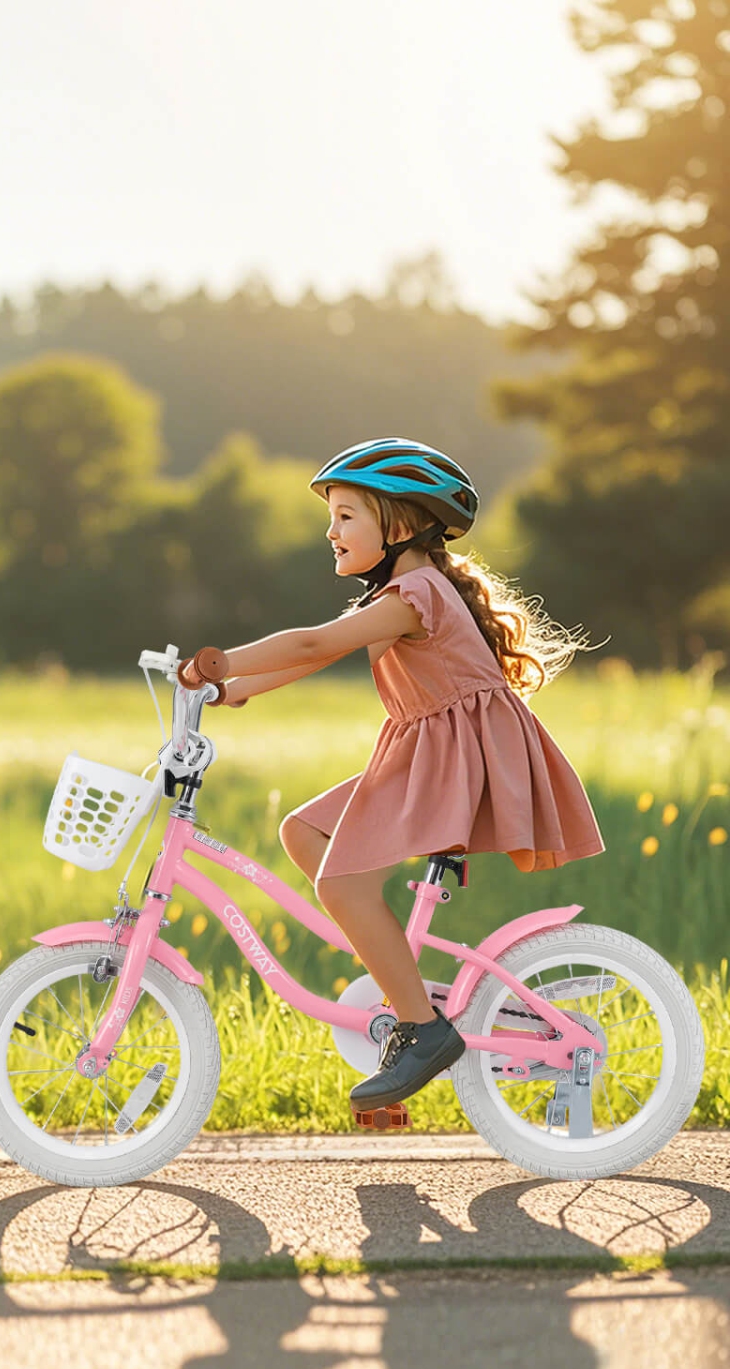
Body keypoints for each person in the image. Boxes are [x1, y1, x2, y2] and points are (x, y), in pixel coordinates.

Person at [182, 438, 603, 1112]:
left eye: (347, 515)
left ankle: (424, 1030)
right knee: (303, 832)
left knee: (341, 884)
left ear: (400, 525)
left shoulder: (419, 592)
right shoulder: (400, 594)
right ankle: (400, 991)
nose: (331, 530)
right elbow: (315, 658)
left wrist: (219, 661)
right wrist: (234, 693)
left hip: (453, 758)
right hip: (426, 752)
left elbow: (315, 641)